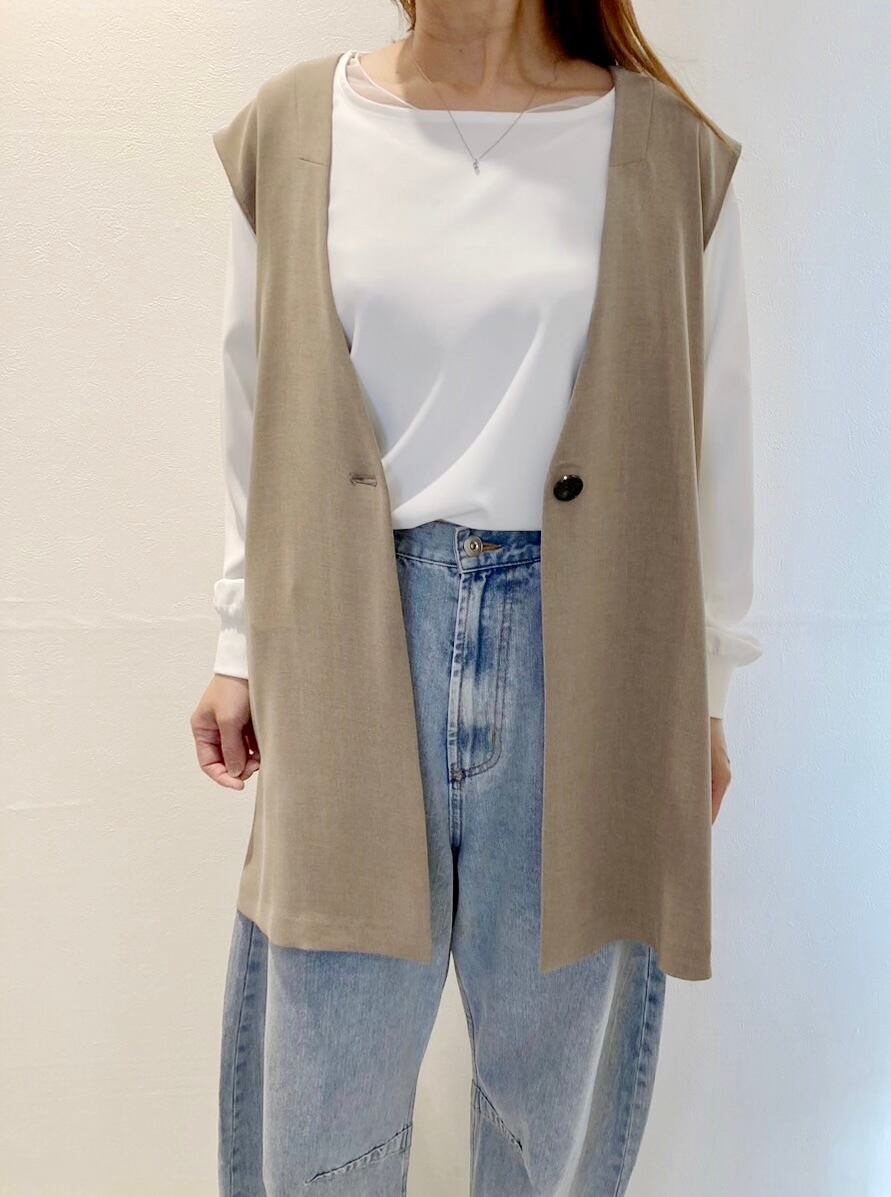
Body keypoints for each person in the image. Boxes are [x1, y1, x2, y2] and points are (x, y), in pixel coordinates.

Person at [190, 7, 763, 1195]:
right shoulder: (297, 126)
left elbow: (714, 429)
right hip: (347, 641)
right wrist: (238, 641)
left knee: (545, 1127)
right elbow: (255, 398)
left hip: (594, 659)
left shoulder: (666, 149)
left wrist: (705, 685)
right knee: (324, 1111)